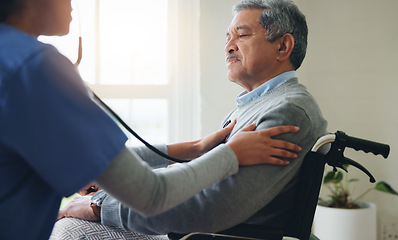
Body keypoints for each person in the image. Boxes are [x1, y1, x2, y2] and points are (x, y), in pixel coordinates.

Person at [0, 0, 305, 239]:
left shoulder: (285, 110)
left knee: (69, 231)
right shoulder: (35, 68)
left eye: (241, 35)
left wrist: (198, 148)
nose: (227, 47)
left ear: (283, 46)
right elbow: (148, 192)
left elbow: (212, 205)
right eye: (229, 36)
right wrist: (230, 153)